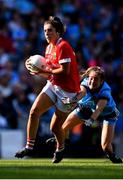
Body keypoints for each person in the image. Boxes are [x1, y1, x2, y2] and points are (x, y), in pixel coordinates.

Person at [15, 16, 80, 163]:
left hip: (68, 92)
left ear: (58, 32)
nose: (47, 33)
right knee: (34, 112)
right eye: (45, 31)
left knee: (55, 128)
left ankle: (61, 147)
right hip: (53, 85)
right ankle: (29, 147)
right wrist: (39, 72)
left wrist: (44, 72)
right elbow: (50, 71)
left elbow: (65, 71)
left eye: (50, 30)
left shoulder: (63, 46)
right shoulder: (48, 48)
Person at [55, 66, 123, 163]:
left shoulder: (105, 91)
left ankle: (112, 155)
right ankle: (62, 148)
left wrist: (91, 120)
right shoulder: (85, 82)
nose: (92, 81)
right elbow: (81, 94)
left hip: (108, 114)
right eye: (91, 78)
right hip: (87, 108)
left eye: (96, 79)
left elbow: (99, 109)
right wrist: (69, 101)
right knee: (63, 129)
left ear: (101, 81)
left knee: (105, 147)